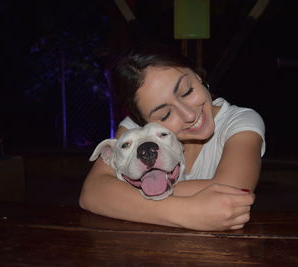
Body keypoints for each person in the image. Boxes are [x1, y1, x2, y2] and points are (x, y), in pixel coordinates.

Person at [79, 44, 266, 231]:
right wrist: (187, 212)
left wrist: (126, 195)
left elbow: (233, 193)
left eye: (187, 92)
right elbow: (92, 192)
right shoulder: (136, 131)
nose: (189, 115)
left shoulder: (240, 121)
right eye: (165, 115)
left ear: (197, 75)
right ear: (142, 121)